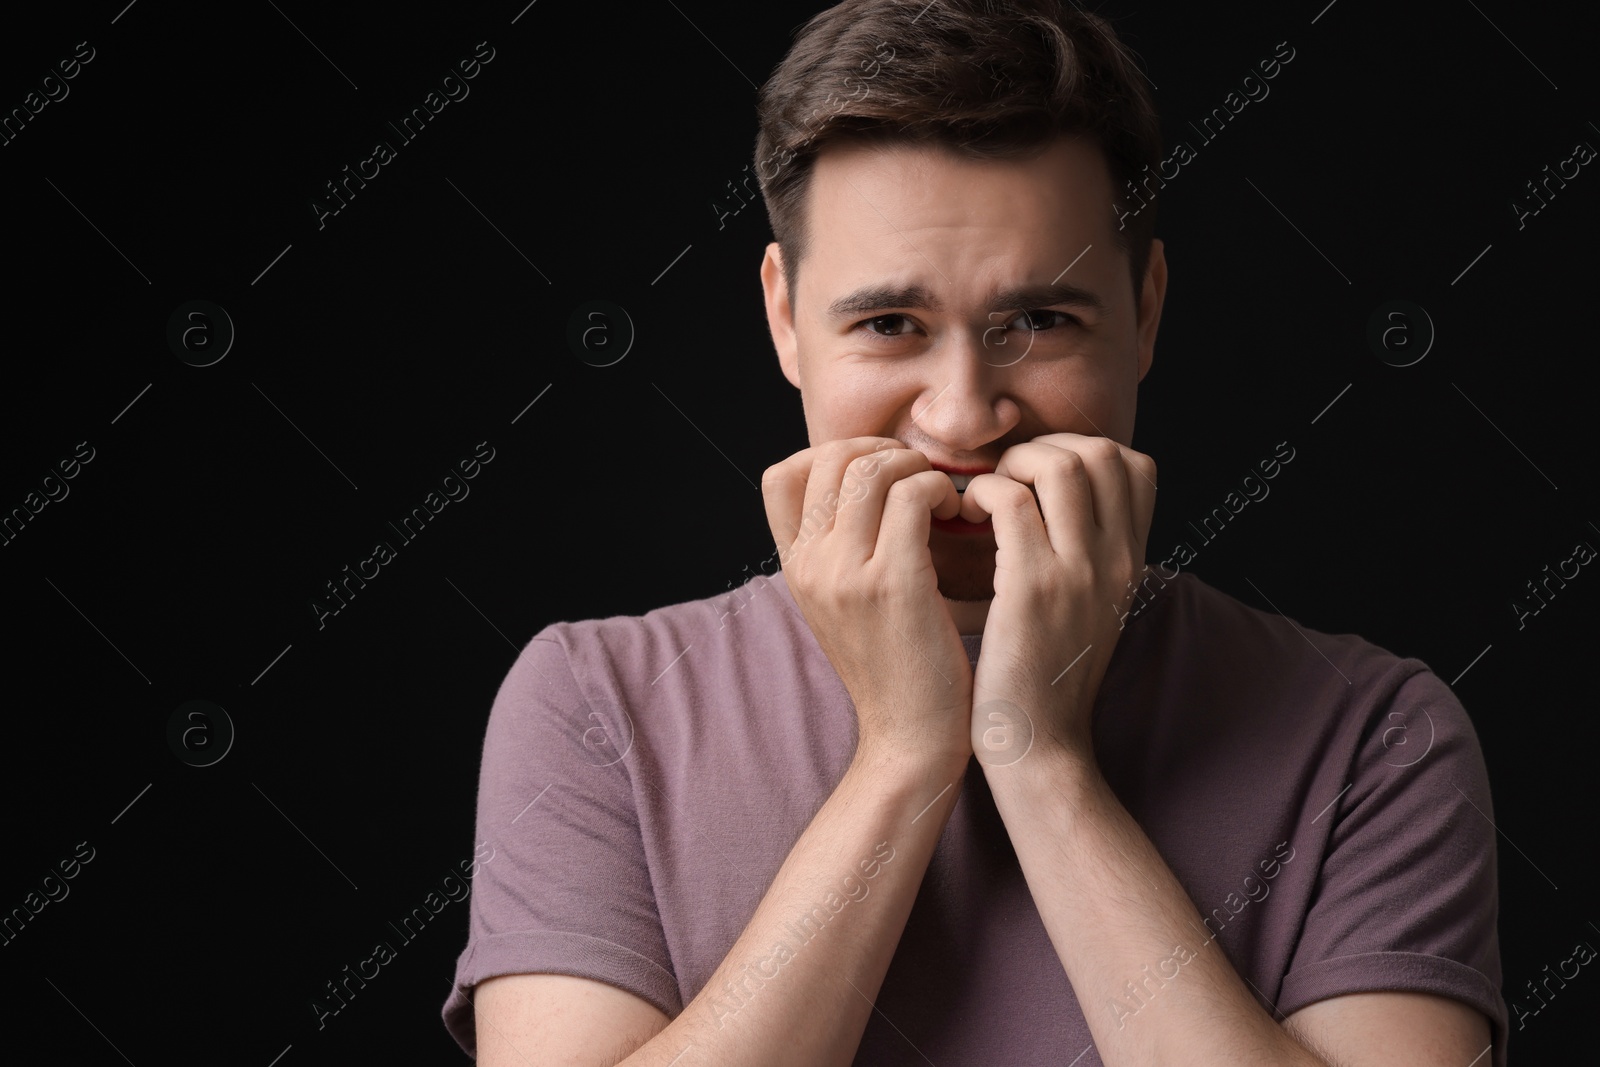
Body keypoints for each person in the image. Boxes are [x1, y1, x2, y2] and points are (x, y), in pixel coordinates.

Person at [442, 1, 1507, 1063]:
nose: (960, 416)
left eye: (1038, 322)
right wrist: (902, 759)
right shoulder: (594, 704)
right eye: (887, 325)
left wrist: (1039, 759)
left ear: (1144, 312)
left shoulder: (1376, 733)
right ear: (784, 320)